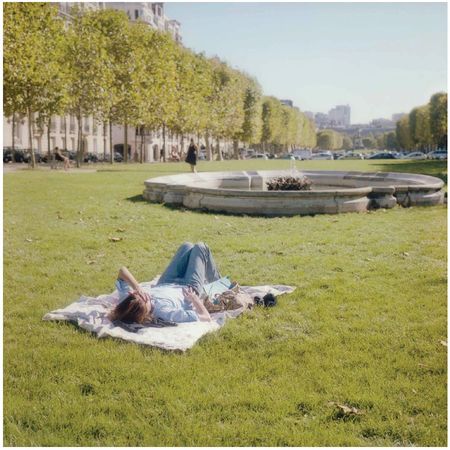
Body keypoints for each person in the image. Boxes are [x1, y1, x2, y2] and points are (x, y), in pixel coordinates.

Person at [109, 242, 224, 324]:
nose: (144, 295)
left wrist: (137, 287)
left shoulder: (129, 303)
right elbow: (206, 317)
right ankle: (220, 285)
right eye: (144, 299)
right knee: (200, 247)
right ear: (145, 311)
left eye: (137, 294)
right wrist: (195, 299)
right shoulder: (165, 312)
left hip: (165, 282)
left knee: (187, 246)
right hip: (188, 287)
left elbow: (122, 271)